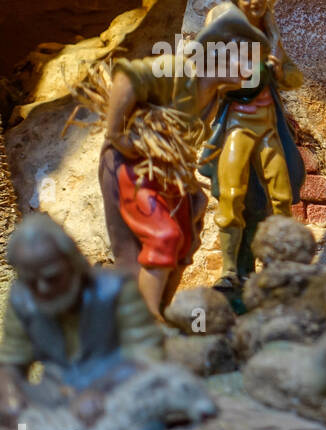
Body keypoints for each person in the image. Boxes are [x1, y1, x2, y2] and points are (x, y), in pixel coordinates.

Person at [0, 215, 229, 430]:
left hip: (119, 392)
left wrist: (100, 390)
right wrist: (8, 399)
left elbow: (146, 355)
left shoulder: (116, 290)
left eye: (51, 277)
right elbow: (11, 362)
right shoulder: (24, 299)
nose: (43, 289)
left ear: (72, 262)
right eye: (32, 281)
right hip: (52, 399)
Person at [90, 16, 256, 319]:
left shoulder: (214, 95)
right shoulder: (178, 72)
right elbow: (127, 77)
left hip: (166, 167)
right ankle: (144, 320)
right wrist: (116, 132)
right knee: (161, 236)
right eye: (243, 58)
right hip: (132, 164)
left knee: (186, 232)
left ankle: (160, 313)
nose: (249, 68)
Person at [199, 0, 305, 289]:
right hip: (237, 124)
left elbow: (294, 78)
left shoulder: (270, 31)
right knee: (231, 195)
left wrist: (278, 70)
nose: (256, 1)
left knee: (282, 195)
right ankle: (230, 271)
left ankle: (281, 264)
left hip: (268, 125)